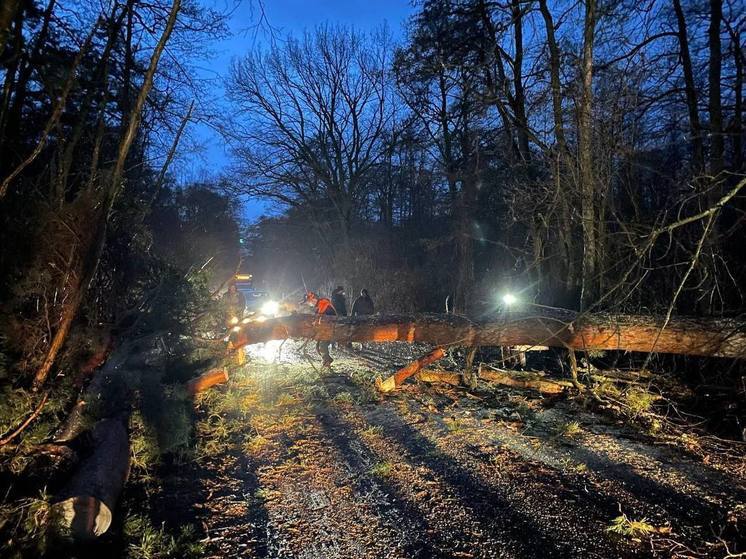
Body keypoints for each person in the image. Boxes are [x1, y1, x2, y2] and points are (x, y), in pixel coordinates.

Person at [303, 291, 336, 367]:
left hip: (331, 328)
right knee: (318, 347)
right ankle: (327, 360)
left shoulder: (323, 304)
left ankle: (326, 362)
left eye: (309, 302)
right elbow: (317, 319)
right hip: (326, 328)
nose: (309, 304)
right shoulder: (319, 306)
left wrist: (316, 324)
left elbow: (321, 318)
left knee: (322, 346)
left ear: (313, 299)